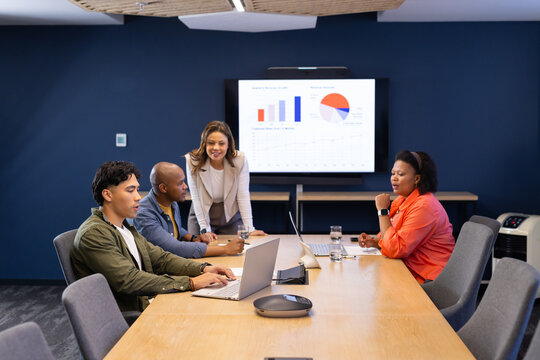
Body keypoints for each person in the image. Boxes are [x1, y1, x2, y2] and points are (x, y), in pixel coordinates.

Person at [71, 161, 235, 312]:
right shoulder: (94, 234)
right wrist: (190, 282)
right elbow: (129, 279)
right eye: (130, 190)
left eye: (136, 189)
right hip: (129, 318)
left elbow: (161, 258)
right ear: (107, 195)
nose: (138, 197)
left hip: (147, 303)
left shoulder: (125, 228)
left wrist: (203, 268)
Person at [359, 150, 455, 283]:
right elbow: (390, 237)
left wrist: (382, 211)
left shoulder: (424, 206)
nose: (394, 178)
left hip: (429, 280)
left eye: (400, 174)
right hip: (410, 270)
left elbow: (395, 248)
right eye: (393, 173)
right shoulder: (402, 200)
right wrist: (375, 242)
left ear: (417, 178)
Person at [134, 162, 245, 258]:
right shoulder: (143, 215)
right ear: (163, 188)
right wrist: (225, 249)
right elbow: (175, 248)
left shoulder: (171, 203)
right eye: (180, 183)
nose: (185, 186)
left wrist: (193, 238)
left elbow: (173, 228)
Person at [185, 121, 266, 236]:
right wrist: (205, 229)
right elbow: (196, 197)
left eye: (221, 143)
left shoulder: (240, 160)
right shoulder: (193, 161)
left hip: (229, 216)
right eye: (211, 143)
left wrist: (250, 229)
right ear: (204, 144)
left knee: (237, 251)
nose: (216, 148)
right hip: (201, 215)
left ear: (228, 144)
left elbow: (243, 195)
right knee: (200, 250)